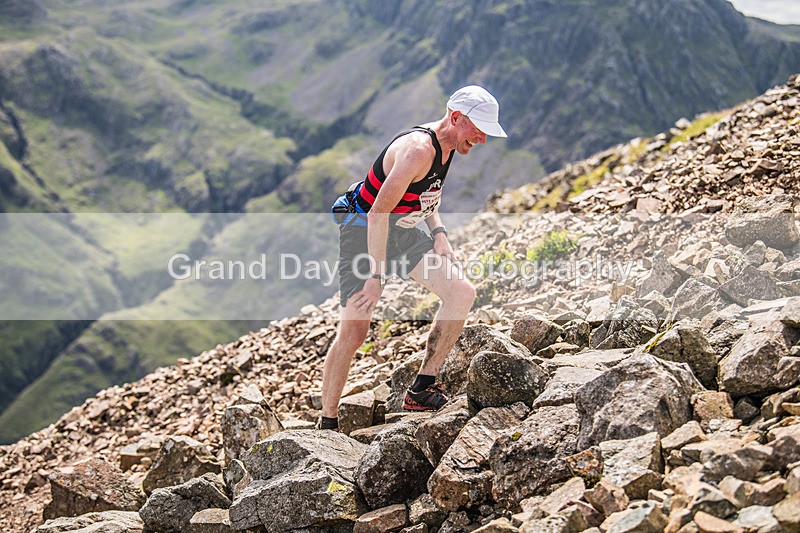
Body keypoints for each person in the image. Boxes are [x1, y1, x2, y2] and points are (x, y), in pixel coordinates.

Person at [318, 85, 507, 431]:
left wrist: (439, 234)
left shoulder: (449, 146)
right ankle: (327, 422)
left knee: (461, 293)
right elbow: (377, 213)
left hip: (403, 231)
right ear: (455, 118)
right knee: (355, 332)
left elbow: (429, 195)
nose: (481, 139)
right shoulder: (418, 151)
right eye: (478, 129)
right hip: (364, 230)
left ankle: (421, 388)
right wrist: (375, 278)